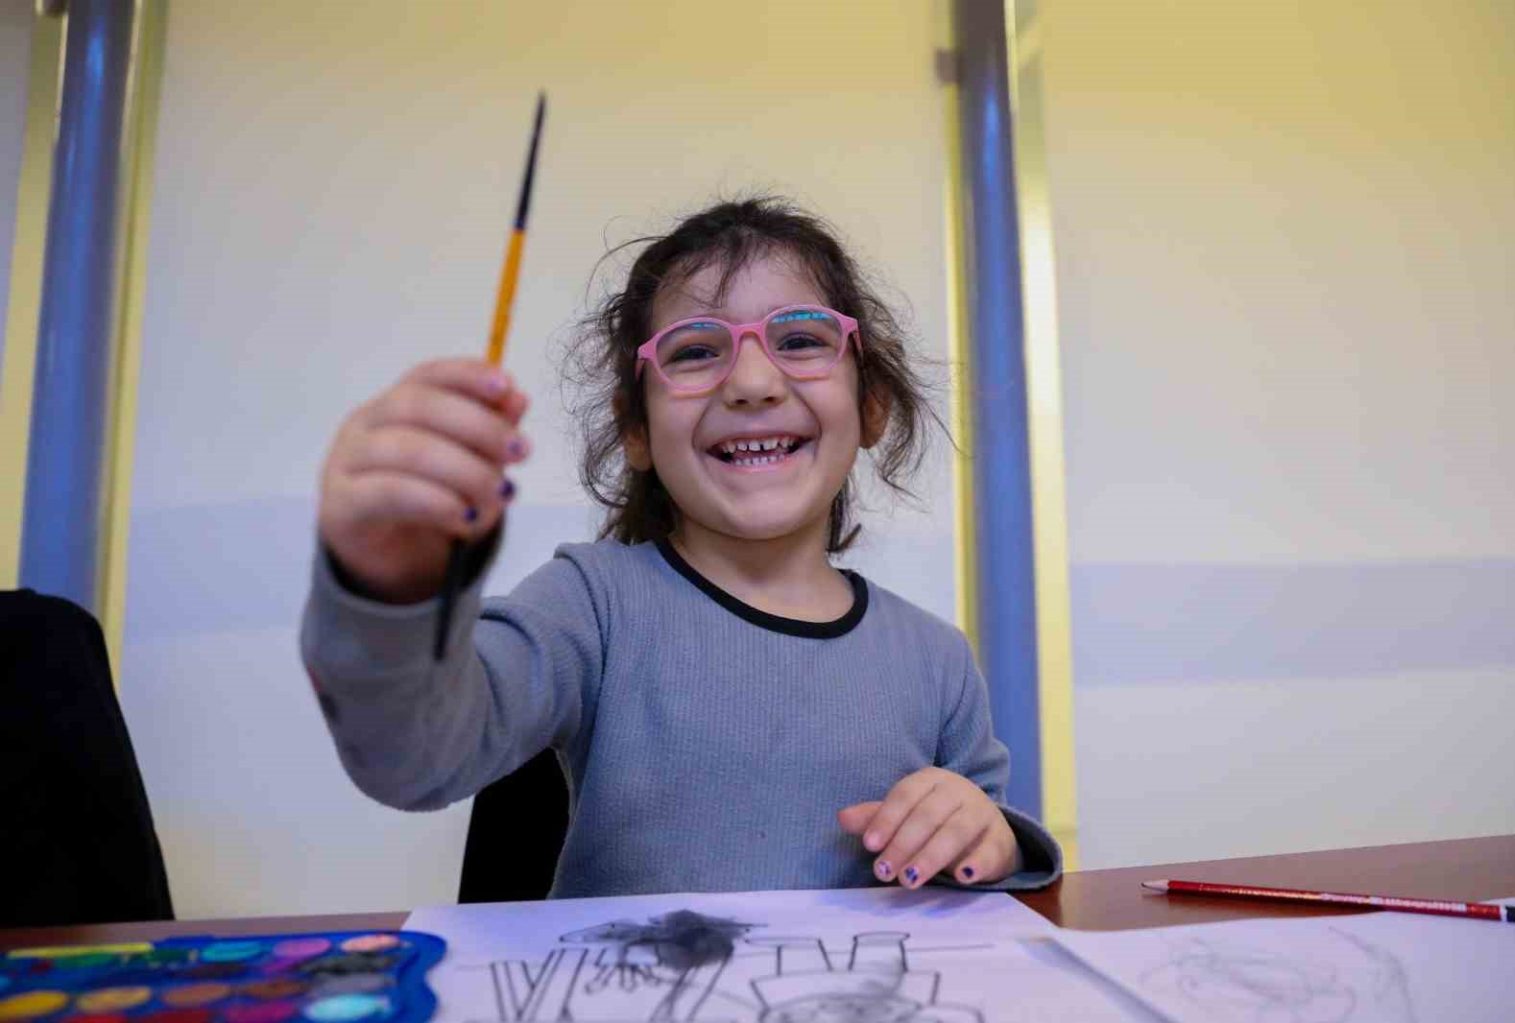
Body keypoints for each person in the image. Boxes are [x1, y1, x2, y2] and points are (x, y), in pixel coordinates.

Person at [301, 197, 1060, 898]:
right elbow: (414, 760)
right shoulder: (591, 604)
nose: (753, 381)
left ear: (871, 406)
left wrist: (990, 837)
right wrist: (387, 589)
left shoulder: (937, 659)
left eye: (801, 339)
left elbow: (987, 863)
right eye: (695, 352)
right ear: (636, 429)